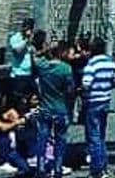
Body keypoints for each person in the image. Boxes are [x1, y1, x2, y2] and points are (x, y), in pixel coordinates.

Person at [33, 40, 75, 178]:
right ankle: (58, 168)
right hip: (60, 108)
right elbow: (70, 90)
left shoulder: (42, 67)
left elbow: (34, 58)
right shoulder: (66, 68)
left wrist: (45, 50)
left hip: (45, 108)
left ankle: (40, 167)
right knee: (60, 140)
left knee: (42, 139)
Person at [81, 37, 115, 178]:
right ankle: (103, 166)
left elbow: (86, 83)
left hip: (93, 102)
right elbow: (114, 82)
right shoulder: (110, 62)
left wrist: (82, 91)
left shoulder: (92, 64)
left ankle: (96, 169)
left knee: (93, 136)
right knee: (101, 135)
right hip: (105, 101)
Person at [7, 19, 36, 106]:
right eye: (28, 27)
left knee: (29, 99)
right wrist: (26, 40)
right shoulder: (15, 38)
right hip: (18, 73)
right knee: (18, 100)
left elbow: (32, 53)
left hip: (29, 73)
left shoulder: (30, 39)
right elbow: (17, 51)